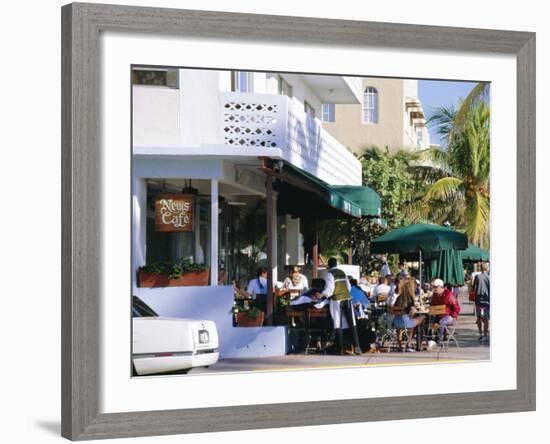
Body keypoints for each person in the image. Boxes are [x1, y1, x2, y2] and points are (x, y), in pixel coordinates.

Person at [322, 257, 362, 355]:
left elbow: (330, 289)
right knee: (352, 323)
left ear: (328, 265)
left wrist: (322, 294)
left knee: (337, 324)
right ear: (336, 265)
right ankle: (357, 347)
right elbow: (348, 287)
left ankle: (340, 349)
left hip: (337, 300)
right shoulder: (342, 272)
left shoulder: (329, 274)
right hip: (347, 299)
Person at [393, 278, 426, 352]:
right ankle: (409, 342)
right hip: (406, 323)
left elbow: (394, 309)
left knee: (408, 323)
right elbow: (412, 312)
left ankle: (400, 345)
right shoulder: (410, 298)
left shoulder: (399, 298)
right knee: (422, 317)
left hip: (397, 322)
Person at [473, 262, 490, 342]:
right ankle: (485, 335)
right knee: (485, 318)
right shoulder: (489, 277)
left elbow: (473, 288)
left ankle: (480, 333)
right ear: (487, 268)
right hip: (486, 301)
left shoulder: (477, 277)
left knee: (479, 317)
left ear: (481, 268)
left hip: (478, 300)